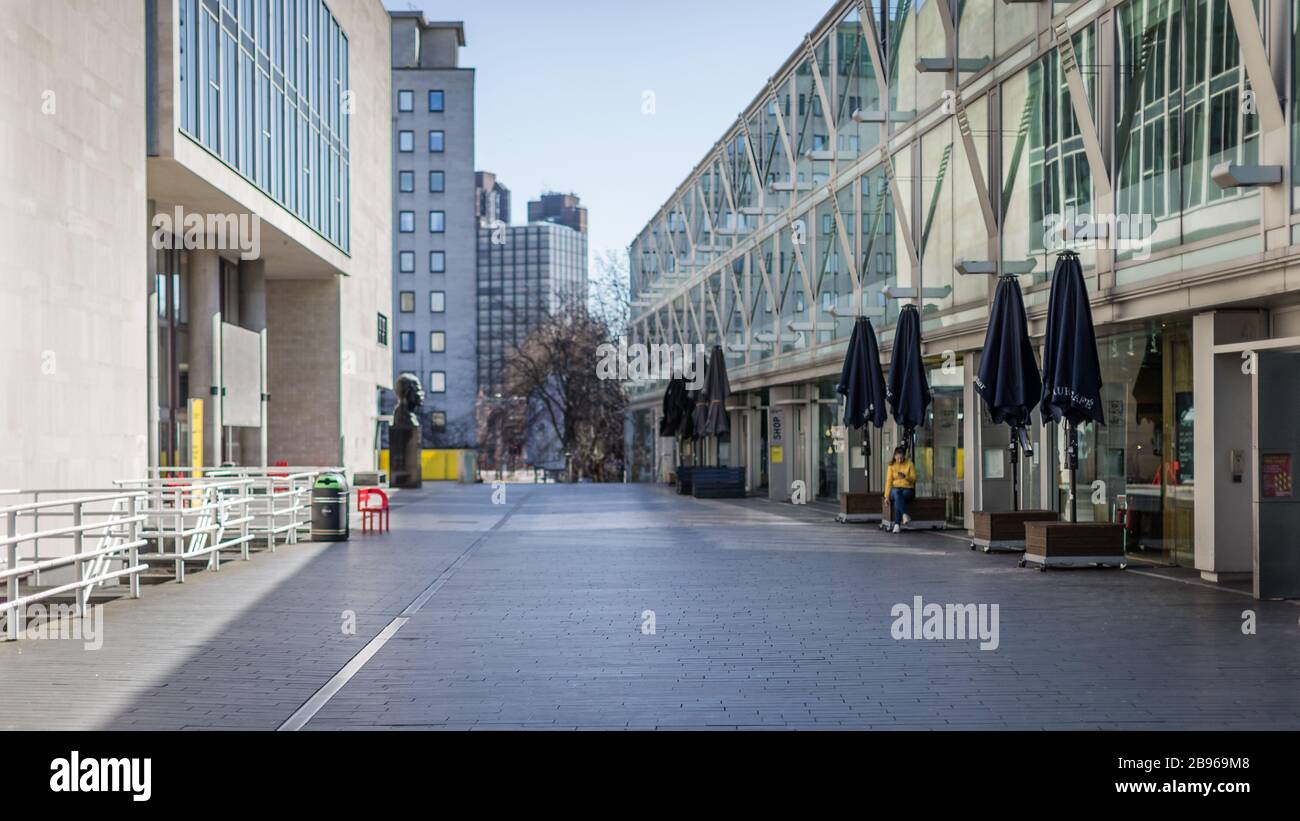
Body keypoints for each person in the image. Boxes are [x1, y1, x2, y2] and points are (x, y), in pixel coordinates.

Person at [883, 446, 916, 534]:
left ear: (904, 456)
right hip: (895, 490)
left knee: (898, 498)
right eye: (898, 458)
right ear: (895, 456)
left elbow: (914, 479)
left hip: (908, 489)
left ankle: (897, 525)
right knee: (897, 493)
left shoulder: (910, 464)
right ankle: (904, 515)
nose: (900, 460)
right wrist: (886, 496)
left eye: (901, 458)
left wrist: (906, 477)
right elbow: (888, 481)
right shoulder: (891, 465)